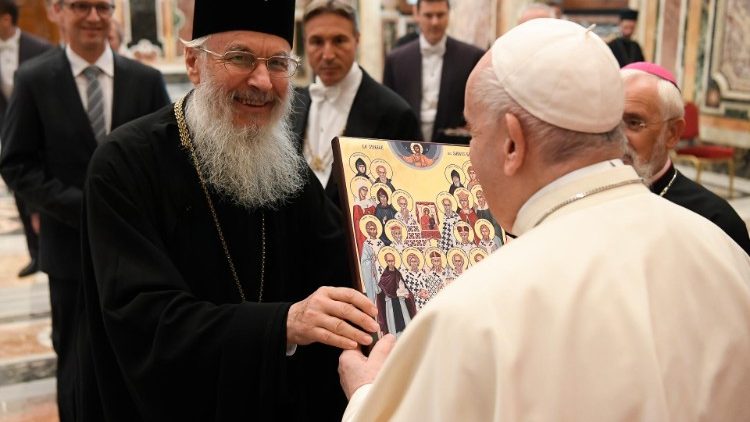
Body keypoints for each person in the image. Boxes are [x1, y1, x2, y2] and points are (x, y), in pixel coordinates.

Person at [339, 18, 750, 421]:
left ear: (513, 143)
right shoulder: (725, 254)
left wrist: (367, 394)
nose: (469, 153)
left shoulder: (476, 312)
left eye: (473, 133)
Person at [74, 1, 379, 420]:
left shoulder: (280, 162)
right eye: (239, 57)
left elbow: (343, 259)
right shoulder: (123, 165)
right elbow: (145, 320)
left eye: (277, 63)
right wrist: (283, 323)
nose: (262, 81)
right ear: (193, 63)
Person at [0, 0, 169, 419]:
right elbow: (17, 163)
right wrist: (83, 207)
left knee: (137, 350)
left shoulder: (144, 80)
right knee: (75, 360)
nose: (93, 17)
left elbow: (168, 157)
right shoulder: (34, 79)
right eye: (80, 6)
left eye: (102, 6)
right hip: (69, 250)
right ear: (57, 11)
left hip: (138, 249)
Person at [291, 0, 421, 203]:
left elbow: (408, 195)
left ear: (357, 40)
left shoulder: (396, 114)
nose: (328, 55)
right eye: (316, 41)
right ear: (305, 42)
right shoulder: (293, 105)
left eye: (339, 40)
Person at [620, 61, 750, 254]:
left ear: (672, 133)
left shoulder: (716, 222)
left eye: (634, 123)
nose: (617, 138)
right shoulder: (584, 195)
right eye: (611, 121)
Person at [0, 0, 52, 278]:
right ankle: (35, 255)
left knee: (45, 193)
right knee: (21, 193)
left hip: (42, 135)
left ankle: (50, 250)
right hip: (10, 134)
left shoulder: (40, 49)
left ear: (6, 19)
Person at [383, 0, 484, 144]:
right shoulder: (395, 60)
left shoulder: (472, 57)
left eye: (440, 15)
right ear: (416, 14)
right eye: (428, 15)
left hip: (453, 148)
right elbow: (389, 111)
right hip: (404, 146)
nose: (435, 22)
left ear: (449, 15)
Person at [376, 251, 416, 337]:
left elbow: (404, 287)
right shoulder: (384, 276)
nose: (391, 263)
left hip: (400, 301)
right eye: (389, 261)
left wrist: (407, 295)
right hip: (390, 303)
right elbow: (380, 291)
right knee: (394, 324)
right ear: (386, 262)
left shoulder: (398, 274)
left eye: (392, 260)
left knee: (405, 322)